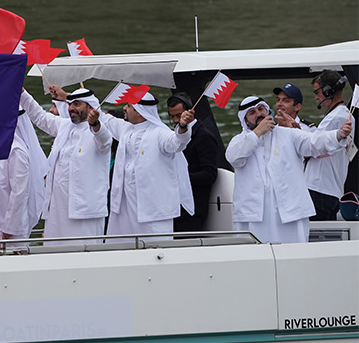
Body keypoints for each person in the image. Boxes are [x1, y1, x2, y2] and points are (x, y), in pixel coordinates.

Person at [226, 96, 353, 243]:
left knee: (293, 259)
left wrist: (338, 135)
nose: (258, 114)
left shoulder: (287, 134)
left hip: (289, 214)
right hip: (253, 217)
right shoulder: (240, 141)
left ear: (267, 112)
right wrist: (257, 133)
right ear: (246, 120)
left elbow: (314, 142)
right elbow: (233, 158)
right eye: (252, 112)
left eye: (261, 109)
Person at [91, 92, 195, 240]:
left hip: (152, 208)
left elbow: (177, 142)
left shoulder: (160, 133)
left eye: (128, 106)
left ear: (139, 111)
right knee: (122, 248)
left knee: (153, 249)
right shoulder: (125, 129)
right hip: (124, 206)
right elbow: (104, 118)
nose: (124, 108)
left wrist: (183, 126)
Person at [20, 86, 111, 245]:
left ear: (90, 107)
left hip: (83, 212)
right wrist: (22, 93)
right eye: (70, 104)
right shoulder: (65, 126)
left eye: (76, 104)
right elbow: (39, 116)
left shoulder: (99, 131)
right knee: (53, 255)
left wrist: (95, 123)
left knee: (82, 258)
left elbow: (105, 141)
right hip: (56, 208)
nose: (70, 108)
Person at [0, 108, 49, 243]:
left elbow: (19, 193)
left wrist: (9, 227)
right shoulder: (4, 147)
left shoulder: (16, 151)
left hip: (12, 230)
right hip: (0, 222)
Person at [306, 71, 356, 220]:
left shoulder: (335, 117)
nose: (316, 97)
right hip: (331, 189)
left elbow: (312, 148)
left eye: (317, 92)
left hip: (319, 188)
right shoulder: (344, 115)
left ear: (328, 91)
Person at [166, 93, 219, 232]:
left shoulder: (204, 137)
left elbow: (210, 174)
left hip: (193, 210)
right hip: (174, 207)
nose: (176, 120)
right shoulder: (174, 136)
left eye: (179, 115)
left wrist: (180, 178)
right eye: (172, 117)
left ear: (190, 111)